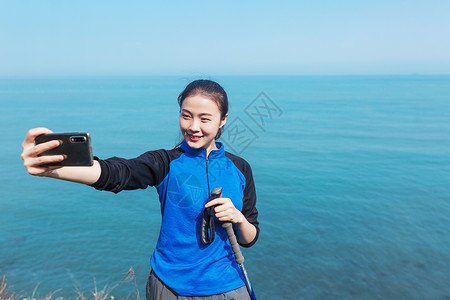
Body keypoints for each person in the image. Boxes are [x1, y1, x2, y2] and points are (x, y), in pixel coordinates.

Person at [21, 79, 259, 300]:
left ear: (223, 120)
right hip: (168, 286)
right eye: (186, 116)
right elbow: (117, 173)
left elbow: (250, 237)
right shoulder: (166, 162)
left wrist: (238, 218)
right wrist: (51, 169)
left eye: (204, 119)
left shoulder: (240, 168)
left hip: (227, 287)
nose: (193, 127)